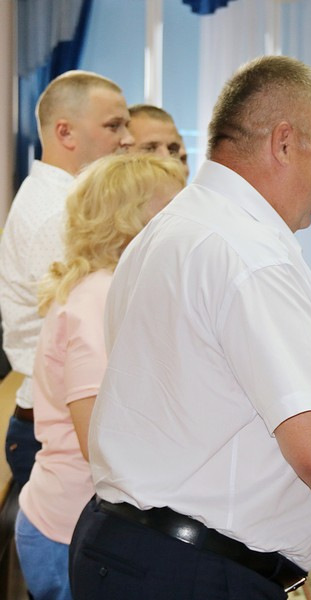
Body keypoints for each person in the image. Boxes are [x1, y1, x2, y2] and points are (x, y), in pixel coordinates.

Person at [68, 56, 311, 600]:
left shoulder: (172, 227)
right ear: (283, 143)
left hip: (127, 547)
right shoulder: (251, 254)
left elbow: (192, 384)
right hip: (192, 570)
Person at [15, 154, 185, 600]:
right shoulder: (98, 297)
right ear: (128, 223)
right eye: (172, 212)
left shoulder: (109, 288)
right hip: (69, 528)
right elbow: (100, 440)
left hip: (77, 519)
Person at [0, 70, 133, 486]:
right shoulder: (60, 213)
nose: (128, 139)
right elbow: (87, 331)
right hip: (58, 425)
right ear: (65, 132)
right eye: (114, 125)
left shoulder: (67, 201)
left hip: (62, 413)